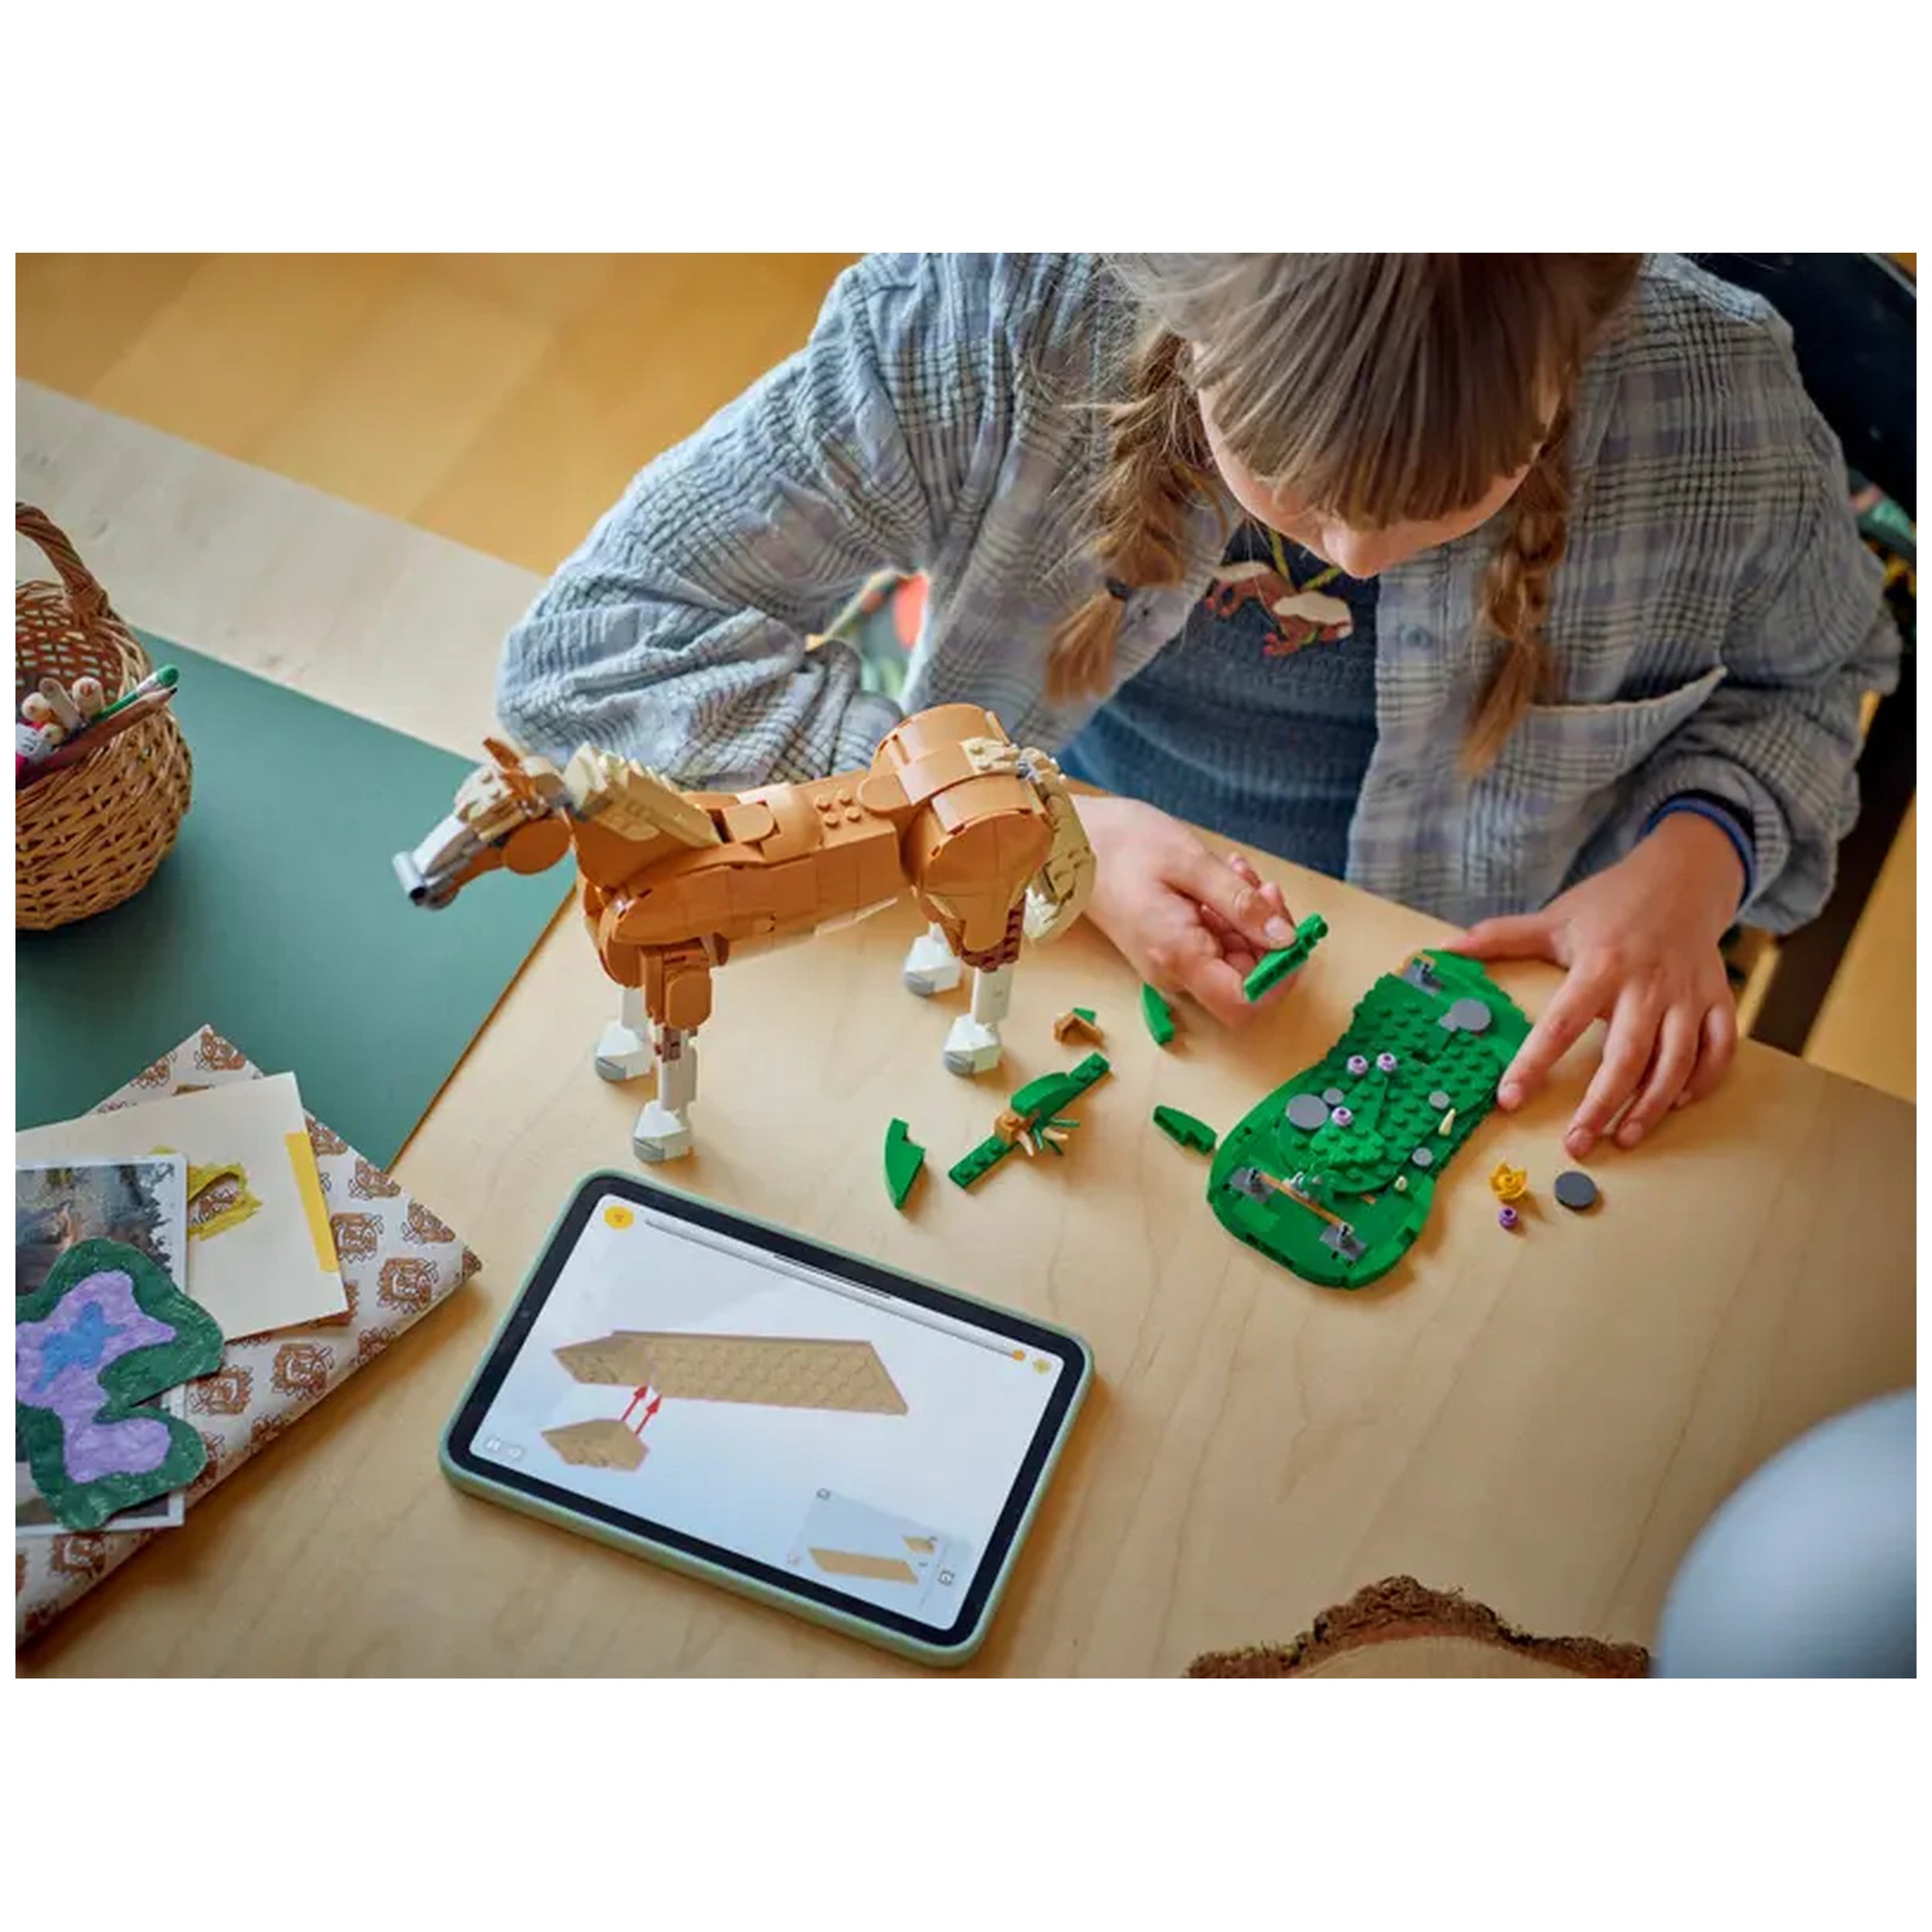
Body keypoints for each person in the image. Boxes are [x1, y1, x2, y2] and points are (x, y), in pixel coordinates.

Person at [495, 254, 1897, 1158]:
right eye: (1292, 485)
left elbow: (1820, 679)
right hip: (1063, 948)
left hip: (1496, 1015)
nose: (1352, 556)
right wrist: (1057, 832)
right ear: (1184, 316)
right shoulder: (994, 315)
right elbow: (593, 653)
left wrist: (1693, 861)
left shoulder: (1717, 399)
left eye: (1453, 496)